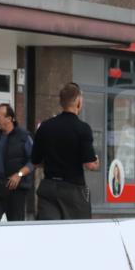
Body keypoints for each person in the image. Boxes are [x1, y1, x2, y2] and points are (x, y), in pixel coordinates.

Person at [31, 82, 99, 220]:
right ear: (78, 101)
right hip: (73, 191)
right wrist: (97, 161)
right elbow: (90, 164)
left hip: (49, 189)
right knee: (77, 230)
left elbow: (35, 162)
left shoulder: (45, 127)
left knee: (49, 230)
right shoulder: (83, 128)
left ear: (61, 102)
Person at [0, 103, 34, 221]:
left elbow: (34, 161)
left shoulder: (23, 137)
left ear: (9, 118)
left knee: (15, 225)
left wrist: (19, 174)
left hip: (16, 190)